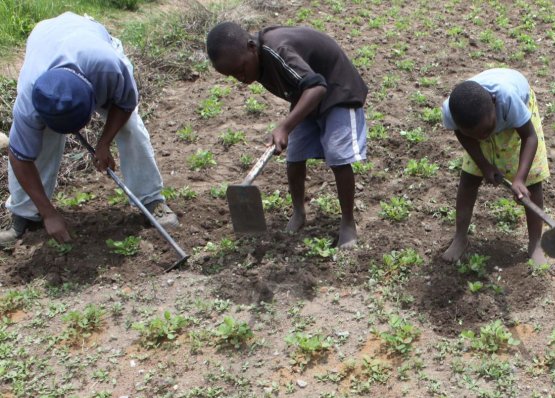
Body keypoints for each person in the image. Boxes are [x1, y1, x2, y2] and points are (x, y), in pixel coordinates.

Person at [1, 12, 178, 249]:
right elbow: (20, 157)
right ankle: (24, 213)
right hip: (46, 39)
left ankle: (151, 200)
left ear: (93, 97)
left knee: (130, 128)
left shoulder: (109, 68)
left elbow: (125, 104)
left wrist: (104, 142)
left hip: (86, 36)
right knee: (39, 142)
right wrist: (48, 213)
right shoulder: (30, 101)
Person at [205, 21, 367, 247]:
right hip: (306, 94)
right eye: (232, 75)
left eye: (241, 69)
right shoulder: (255, 60)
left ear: (252, 47)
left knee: (338, 155)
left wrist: (284, 126)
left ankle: (348, 222)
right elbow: (306, 86)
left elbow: (318, 87)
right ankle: (299, 213)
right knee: (295, 156)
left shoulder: (276, 50)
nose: (240, 78)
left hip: (338, 89)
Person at [440, 69, 551, 265]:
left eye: (488, 130)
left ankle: (535, 243)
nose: (484, 137)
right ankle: (460, 237)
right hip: (481, 120)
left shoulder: (508, 99)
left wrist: (519, 179)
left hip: (518, 122)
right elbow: (462, 134)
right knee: (468, 179)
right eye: (478, 135)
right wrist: (484, 165)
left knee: (533, 184)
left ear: (493, 101)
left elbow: (530, 137)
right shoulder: (452, 113)